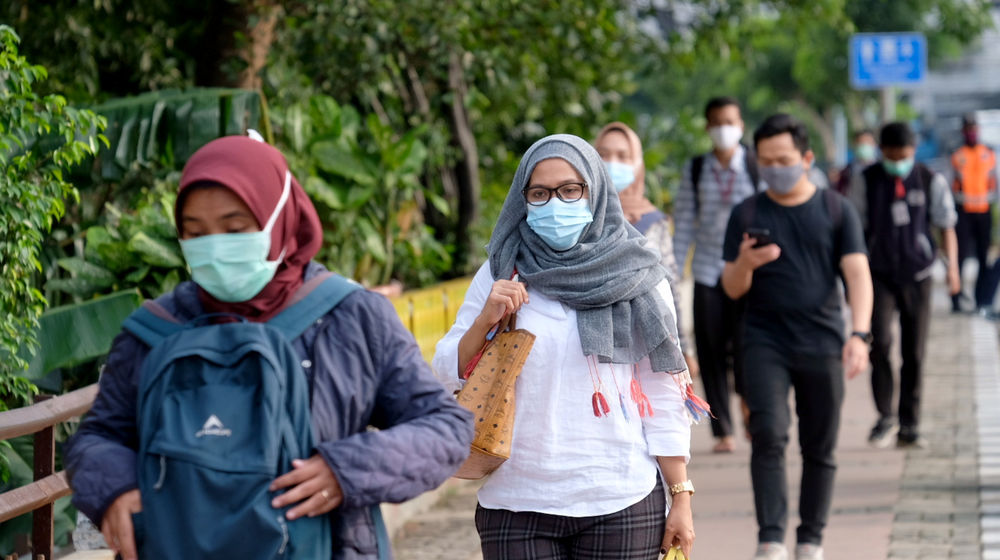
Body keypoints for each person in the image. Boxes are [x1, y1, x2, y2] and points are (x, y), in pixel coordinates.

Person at [64, 135, 474, 560]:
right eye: (195, 232)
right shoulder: (153, 331)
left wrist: (345, 470)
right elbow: (99, 436)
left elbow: (446, 428)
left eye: (235, 228)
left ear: (279, 217)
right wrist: (113, 488)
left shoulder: (351, 318)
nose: (216, 245)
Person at [433, 134, 696, 560]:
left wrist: (680, 496)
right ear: (524, 200)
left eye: (570, 190)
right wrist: (485, 321)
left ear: (594, 191)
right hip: (517, 502)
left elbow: (662, 393)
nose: (556, 203)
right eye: (539, 193)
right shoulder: (501, 270)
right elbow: (446, 372)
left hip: (621, 498)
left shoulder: (639, 275)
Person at [721, 114, 873, 560]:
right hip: (764, 339)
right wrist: (746, 263)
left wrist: (860, 334)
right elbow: (731, 287)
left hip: (823, 340)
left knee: (819, 444)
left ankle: (811, 539)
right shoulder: (746, 213)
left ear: (807, 158)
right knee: (767, 432)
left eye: (783, 159)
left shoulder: (836, 209)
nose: (774, 168)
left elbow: (858, 275)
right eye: (765, 161)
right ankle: (771, 539)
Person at [854, 122, 960, 448]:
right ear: (881, 152)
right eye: (892, 155)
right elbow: (853, 228)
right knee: (881, 344)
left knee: (914, 351)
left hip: (919, 275)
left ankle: (910, 424)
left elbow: (946, 225)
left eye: (904, 155)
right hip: (878, 275)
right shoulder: (866, 180)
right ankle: (885, 416)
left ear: (913, 151)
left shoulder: (930, 179)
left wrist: (952, 268)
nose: (898, 161)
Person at [673, 96, 760, 453]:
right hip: (708, 270)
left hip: (748, 273)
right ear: (709, 128)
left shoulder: (755, 166)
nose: (725, 128)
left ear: (740, 125)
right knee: (710, 352)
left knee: (749, 347)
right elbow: (683, 227)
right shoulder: (696, 170)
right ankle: (723, 430)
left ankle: (750, 406)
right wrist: (674, 274)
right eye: (718, 122)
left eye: (731, 121)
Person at [594, 121, 699, 377]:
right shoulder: (581, 217)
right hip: (595, 346)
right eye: (603, 155)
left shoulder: (655, 221)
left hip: (650, 345)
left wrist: (685, 349)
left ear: (638, 164)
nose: (612, 163)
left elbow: (671, 287)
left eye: (622, 156)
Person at [950, 113, 997, 314]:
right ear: (963, 131)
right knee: (958, 257)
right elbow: (952, 185)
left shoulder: (988, 154)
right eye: (968, 129)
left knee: (983, 257)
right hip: (963, 212)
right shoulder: (957, 155)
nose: (971, 132)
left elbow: (994, 184)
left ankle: (981, 299)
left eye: (974, 129)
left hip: (984, 211)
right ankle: (956, 298)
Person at [834, 129, 878, 197]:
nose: (864, 146)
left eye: (867, 142)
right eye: (861, 143)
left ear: (874, 144)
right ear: (855, 144)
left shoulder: (881, 171)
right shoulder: (846, 172)